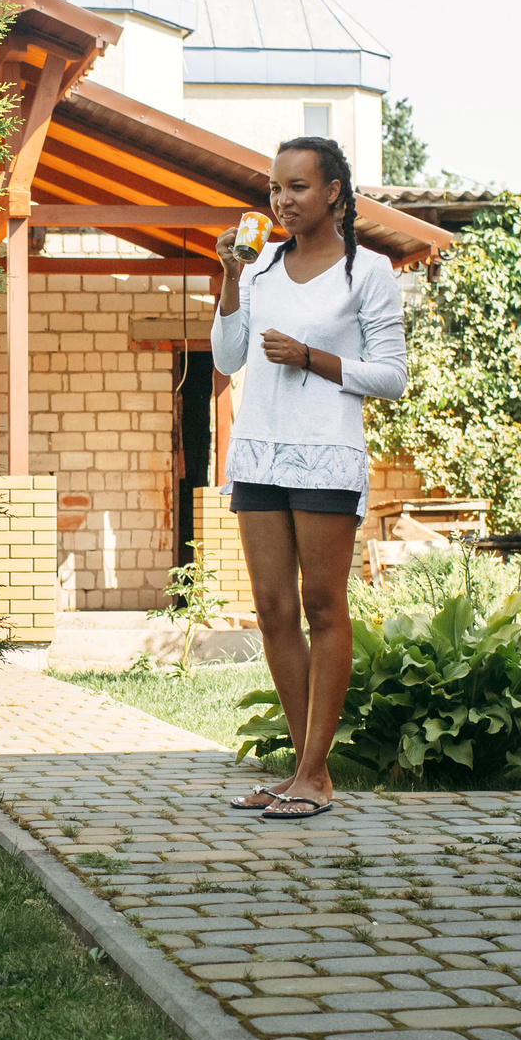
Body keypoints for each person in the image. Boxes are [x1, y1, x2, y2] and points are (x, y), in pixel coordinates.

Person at [211, 136, 407, 821]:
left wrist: (309, 357)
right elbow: (228, 356)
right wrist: (229, 279)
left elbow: (392, 376)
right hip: (258, 455)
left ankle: (315, 774)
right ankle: (302, 771)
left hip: (325, 454)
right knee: (272, 610)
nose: (282, 200)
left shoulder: (368, 271)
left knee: (323, 607)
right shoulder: (259, 268)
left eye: (296, 186)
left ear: (333, 192)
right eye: (274, 188)